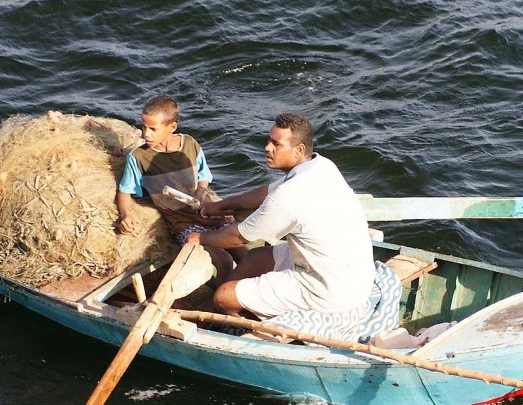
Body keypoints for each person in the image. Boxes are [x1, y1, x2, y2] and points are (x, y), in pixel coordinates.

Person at [188, 113, 375, 321]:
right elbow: (266, 192)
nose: (268, 147)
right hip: (352, 273)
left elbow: (238, 237)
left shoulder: (287, 197)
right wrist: (220, 207)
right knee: (255, 257)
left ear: (299, 150)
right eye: (269, 140)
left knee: (224, 297)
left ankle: (245, 321)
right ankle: (220, 306)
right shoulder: (321, 166)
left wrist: (200, 238)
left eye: (276, 144)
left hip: (328, 291)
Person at [115, 96, 245, 281]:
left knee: (242, 251)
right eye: (143, 127)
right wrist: (126, 215)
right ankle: (221, 298)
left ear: (172, 127)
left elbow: (204, 176)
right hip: (182, 222)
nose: (146, 134)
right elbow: (125, 191)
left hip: (208, 213)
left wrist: (200, 191)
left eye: (152, 129)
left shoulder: (190, 144)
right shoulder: (138, 157)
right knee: (222, 259)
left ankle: (246, 292)